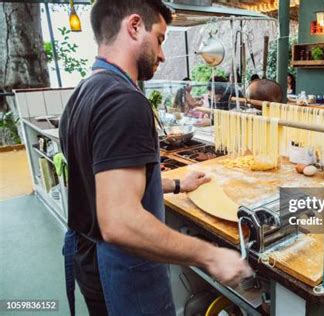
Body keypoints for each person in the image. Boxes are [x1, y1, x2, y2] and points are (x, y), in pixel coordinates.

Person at [59, 1, 252, 315]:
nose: (162, 54)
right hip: (122, 272)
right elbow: (120, 222)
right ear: (134, 26)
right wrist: (210, 255)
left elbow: (104, 183)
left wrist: (178, 183)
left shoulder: (84, 93)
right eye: (161, 39)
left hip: (88, 259)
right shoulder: (125, 101)